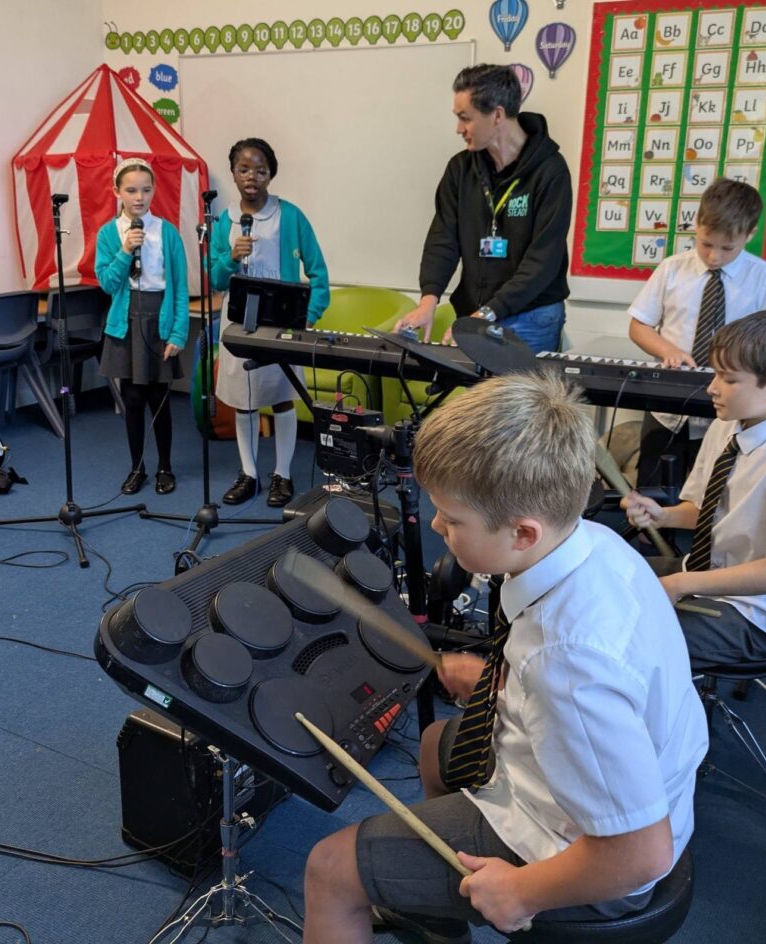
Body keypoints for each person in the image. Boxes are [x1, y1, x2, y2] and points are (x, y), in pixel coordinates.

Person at [303, 372, 708, 944]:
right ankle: (436, 915)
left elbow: (638, 853)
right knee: (431, 747)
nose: (437, 526)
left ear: (522, 532)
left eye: (452, 518)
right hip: (614, 791)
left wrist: (521, 891)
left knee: (330, 868)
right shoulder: (594, 541)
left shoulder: (566, 661)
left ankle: (407, 891)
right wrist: (501, 683)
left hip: (595, 863)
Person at [623, 309, 766, 671]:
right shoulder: (728, 426)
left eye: (729, 378)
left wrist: (680, 583)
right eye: (715, 373)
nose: (712, 387)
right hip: (706, 578)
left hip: (758, 617)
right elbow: (706, 510)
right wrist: (663, 516)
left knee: (617, 636)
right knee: (596, 582)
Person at [394, 64, 572, 354]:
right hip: (476, 312)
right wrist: (429, 299)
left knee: (521, 400)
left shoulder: (550, 171)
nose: (459, 129)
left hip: (531, 316)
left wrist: (486, 315)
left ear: (498, 115)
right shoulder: (460, 169)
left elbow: (542, 262)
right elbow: (443, 239)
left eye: (466, 119)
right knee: (476, 400)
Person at [628, 177, 766, 488]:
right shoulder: (672, 269)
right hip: (668, 404)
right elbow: (639, 325)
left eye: (727, 248)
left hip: (730, 407)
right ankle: (648, 537)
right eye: (705, 244)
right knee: (652, 487)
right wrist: (666, 350)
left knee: (713, 491)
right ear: (696, 225)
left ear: (749, 234)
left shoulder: (763, 276)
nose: (714, 256)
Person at [211, 137, 329, 507]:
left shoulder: (290, 215)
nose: (252, 176)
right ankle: (249, 473)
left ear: (270, 174)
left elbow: (318, 272)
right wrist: (230, 258)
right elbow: (214, 279)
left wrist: (306, 316)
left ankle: (283, 474)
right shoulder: (223, 221)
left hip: (281, 325)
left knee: (281, 399)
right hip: (238, 324)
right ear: (233, 173)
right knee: (243, 402)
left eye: (260, 170)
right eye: (244, 169)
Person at [96, 157, 188, 495]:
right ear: (117, 191)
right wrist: (124, 251)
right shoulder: (109, 233)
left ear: (153, 191)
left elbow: (178, 286)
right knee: (132, 399)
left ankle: (165, 466)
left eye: (146, 190)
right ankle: (137, 467)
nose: (139, 197)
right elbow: (107, 283)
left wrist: (178, 332)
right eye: (131, 190)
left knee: (158, 398)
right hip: (125, 322)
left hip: (158, 319)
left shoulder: (167, 232)